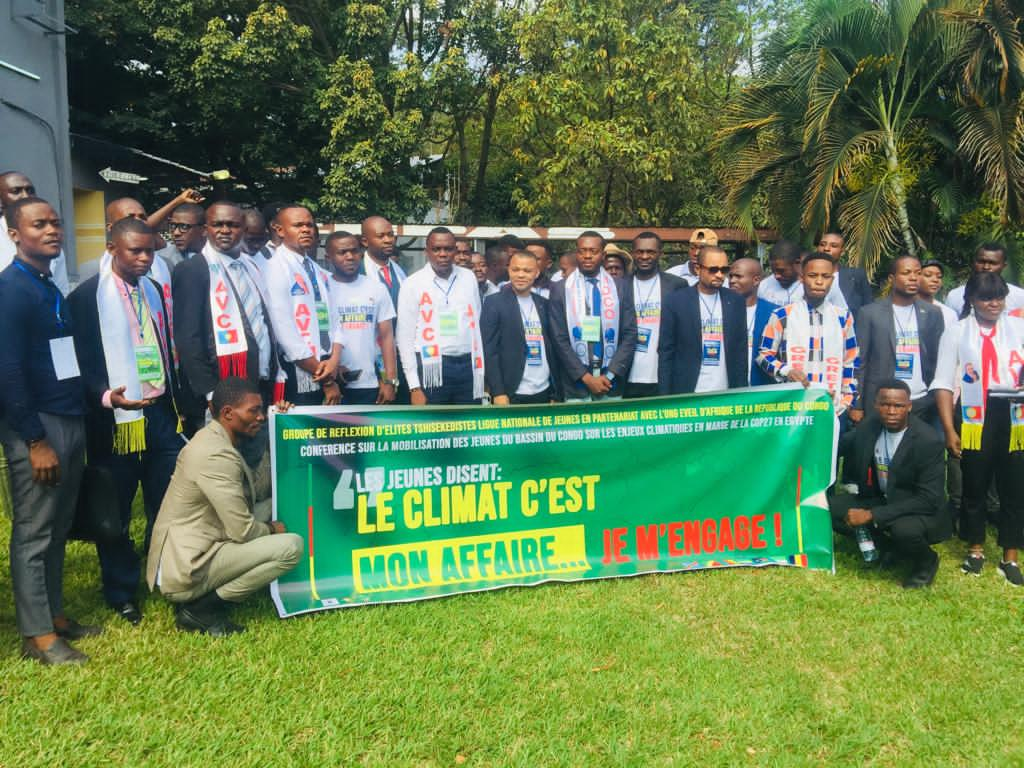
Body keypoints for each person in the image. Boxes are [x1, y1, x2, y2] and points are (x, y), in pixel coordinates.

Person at [68, 217, 184, 625]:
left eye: (150, 250)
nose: (145, 258)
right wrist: (103, 396)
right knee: (115, 507)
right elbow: (74, 363)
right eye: (135, 250)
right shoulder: (85, 298)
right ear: (112, 248)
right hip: (114, 420)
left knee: (166, 502)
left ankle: (161, 576)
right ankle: (120, 590)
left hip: (158, 414)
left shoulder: (151, 290)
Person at [0, 197, 93, 665]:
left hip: (69, 417)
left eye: (56, 222)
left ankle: (54, 615)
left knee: (58, 527)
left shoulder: (47, 284)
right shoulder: (12, 289)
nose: (52, 230)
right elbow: (7, 370)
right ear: (15, 234)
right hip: (39, 427)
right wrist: (34, 440)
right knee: (35, 531)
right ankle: (37, 635)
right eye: (39, 224)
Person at [147, 377, 303, 636]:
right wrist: (272, 530)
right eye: (253, 410)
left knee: (275, 504)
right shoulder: (216, 455)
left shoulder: (216, 439)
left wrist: (279, 425)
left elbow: (258, 490)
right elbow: (243, 531)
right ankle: (201, 610)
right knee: (291, 547)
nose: (261, 417)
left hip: (201, 542)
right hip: (188, 568)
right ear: (228, 413)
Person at [932, 272, 1024, 584]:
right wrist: (949, 429)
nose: (994, 303)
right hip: (974, 414)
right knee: (974, 484)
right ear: (972, 299)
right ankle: (975, 549)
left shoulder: (1019, 327)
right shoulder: (957, 332)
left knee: (1014, 485)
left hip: (1014, 413)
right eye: (986, 298)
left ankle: (1010, 556)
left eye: (999, 297)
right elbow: (943, 384)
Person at [172, 201, 281, 435]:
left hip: (258, 383)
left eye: (232, 225)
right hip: (219, 391)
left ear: (243, 229)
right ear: (205, 229)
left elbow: (262, 321)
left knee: (253, 464)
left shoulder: (251, 267)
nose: (225, 230)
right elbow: (187, 339)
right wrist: (211, 393)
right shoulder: (193, 270)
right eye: (217, 224)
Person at [831, 380, 949, 588]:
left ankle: (926, 562)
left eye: (898, 406)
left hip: (920, 510)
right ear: (876, 405)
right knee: (828, 508)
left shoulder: (927, 440)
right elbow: (837, 447)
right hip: (882, 498)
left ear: (909, 407)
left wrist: (872, 515)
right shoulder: (870, 426)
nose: (891, 411)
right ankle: (890, 548)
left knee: (903, 530)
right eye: (885, 404)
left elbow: (928, 499)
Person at [757, 252, 859, 418]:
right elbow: (763, 356)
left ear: (832, 280)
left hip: (831, 407)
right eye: (813, 275)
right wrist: (786, 370)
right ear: (802, 278)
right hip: (791, 406)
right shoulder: (783, 315)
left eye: (825, 276)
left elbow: (851, 362)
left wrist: (846, 401)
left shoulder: (843, 317)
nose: (819, 282)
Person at [850, 256, 945, 427]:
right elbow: (860, 361)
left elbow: (939, 358)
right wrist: (857, 403)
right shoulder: (870, 313)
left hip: (921, 399)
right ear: (892, 279)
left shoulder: (932, 313)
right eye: (906, 273)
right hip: (883, 401)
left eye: (918, 273)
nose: (913, 278)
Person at [396, 227, 486, 405]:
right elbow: (404, 338)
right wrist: (414, 386)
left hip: (468, 366)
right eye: (436, 249)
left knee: (468, 427)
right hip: (431, 368)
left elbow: (476, 320)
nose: (443, 254)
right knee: (433, 428)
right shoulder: (412, 284)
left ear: (455, 251)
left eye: (448, 249)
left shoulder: (468, 278)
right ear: (426, 252)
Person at [263, 205, 341, 406]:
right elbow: (285, 332)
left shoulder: (316, 269)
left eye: (309, 225)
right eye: (298, 225)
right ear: (279, 230)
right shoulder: (274, 268)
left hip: (327, 363)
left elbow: (334, 318)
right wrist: (326, 379)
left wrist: (333, 361)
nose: (306, 230)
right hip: (302, 372)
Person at [549, 231, 638, 401]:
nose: (587, 256)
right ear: (577, 254)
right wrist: (586, 378)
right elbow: (558, 338)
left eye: (593, 251)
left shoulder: (621, 287)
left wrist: (611, 374)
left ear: (603, 255)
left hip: (610, 380)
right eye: (582, 251)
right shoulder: (561, 289)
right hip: (575, 381)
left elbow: (630, 333)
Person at [659, 246, 748, 394]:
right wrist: (665, 396)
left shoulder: (735, 301)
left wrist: (741, 392)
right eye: (713, 269)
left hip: (725, 391)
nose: (720, 275)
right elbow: (666, 352)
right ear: (698, 268)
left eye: (724, 270)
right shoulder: (676, 301)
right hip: (687, 390)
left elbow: (740, 352)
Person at [324, 232, 399, 405]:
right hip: (331, 383)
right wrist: (331, 372)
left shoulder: (376, 288)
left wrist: (390, 381)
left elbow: (387, 337)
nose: (350, 257)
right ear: (328, 257)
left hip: (369, 383)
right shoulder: (322, 288)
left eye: (354, 251)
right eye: (342, 252)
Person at [482, 250, 562, 404]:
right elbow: (489, 351)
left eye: (527, 271)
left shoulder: (544, 304)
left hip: (543, 389)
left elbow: (553, 349)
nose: (521, 275)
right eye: (516, 269)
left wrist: (555, 392)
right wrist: (498, 391)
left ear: (536, 273)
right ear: (509, 270)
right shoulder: (493, 303)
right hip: (511, 392)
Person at [625, 232, 686, 398]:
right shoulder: (619, 285)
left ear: (660, 254)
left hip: (662, 374)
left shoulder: (677, 285)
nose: (645, 256)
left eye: (650, 252)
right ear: (633, 253)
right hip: (627, 374)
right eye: (640, 252)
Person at [0, 171, 69, 294]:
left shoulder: (51, 240)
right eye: (16, 191)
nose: (26, 196)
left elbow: (61, 289)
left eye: (30, 190)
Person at [728, 256, 779, 386]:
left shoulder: (774, 313)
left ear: (756, 280)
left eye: (738, 276)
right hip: (728, 388)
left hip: (762, 388)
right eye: (731, 276)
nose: (732, 281)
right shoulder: (721, 310)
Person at [944, 243, 1024, 315]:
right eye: (981, 262)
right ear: (973, 262)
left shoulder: (1019, 296)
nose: (986, 267)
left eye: (993, 263)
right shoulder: (955, 296)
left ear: (1004, 266)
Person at [816, 229, 874, 317]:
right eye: (822, 244)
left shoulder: (856, 275)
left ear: (842, 251)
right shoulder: (804, 276)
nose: (826, 249)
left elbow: (869, 308)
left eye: (834, 246)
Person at [157, 202, 206, 268]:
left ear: (204, 230)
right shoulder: (160, 259)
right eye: (173, 225)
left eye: (184, 227)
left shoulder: (218, 254)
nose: (176, 233)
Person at [757, 239, 804, 306]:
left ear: (797, 263)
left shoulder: (810, 287)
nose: (776, 276)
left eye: (781, 271)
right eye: (773, 271)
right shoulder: (764, 286)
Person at [918, 259, 959, 329]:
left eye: (939, 276)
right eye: (928, 275)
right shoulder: (901, 310)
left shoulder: (948, 314)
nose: (935, 280)